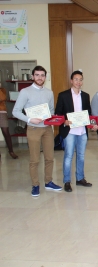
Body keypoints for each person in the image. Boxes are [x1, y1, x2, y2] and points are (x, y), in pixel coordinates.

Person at [12, 65, 62, 196]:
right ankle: (35, 185)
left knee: (50, 157)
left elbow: (51, 110)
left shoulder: (49, 92)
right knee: (34, 160)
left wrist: (50, 118)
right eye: (37, 75)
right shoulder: (25, 92)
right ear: (33, 76)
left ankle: (48, 181)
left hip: (47, 129)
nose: (40, 78)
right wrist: (29, 119)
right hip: (33, 128)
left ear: (45, 77)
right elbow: (15, 111)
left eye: (42, 75)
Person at [55, 70, 98, 192]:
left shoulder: (85, 96)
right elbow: (58, 113)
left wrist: (93, 124)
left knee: (81, 156)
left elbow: (88, 114)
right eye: (76, 79)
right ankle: (67, 181)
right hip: (70, 131)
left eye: (80, 80)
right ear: (71, 81)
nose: (78, 82)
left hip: (82, 131)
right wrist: (64, 121)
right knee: (68, 156)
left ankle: (80, 179)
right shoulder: (63, 95)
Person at [0, 87, 18, 160]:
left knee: (5, 131)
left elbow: (2, 98)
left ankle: (11, 151)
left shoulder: (2, 90)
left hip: (2, 112)